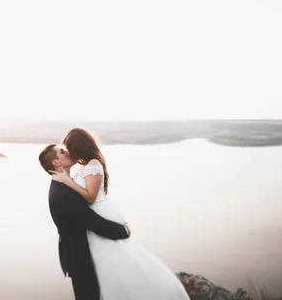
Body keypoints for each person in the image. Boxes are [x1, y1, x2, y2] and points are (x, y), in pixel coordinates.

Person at [50, 127, 191, 300]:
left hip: (99, 217)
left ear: (78, 146)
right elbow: (85, 215)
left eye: (69, 148)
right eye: (64, 151)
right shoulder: (68, 183)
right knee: (106, 265)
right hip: (81, 242)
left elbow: (90, 198)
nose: (68, 152)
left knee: (117, 259)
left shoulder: (89, 167)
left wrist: (68, 181)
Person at [39, 143, 131, 300]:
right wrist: (122, 231)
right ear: (56, 162)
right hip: (81, 259)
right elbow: (92, 221)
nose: (68, 152)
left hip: (77, 255)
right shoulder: (64, 193)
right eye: (62, 151)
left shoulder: (63, 185)